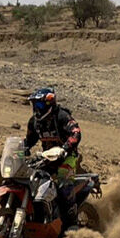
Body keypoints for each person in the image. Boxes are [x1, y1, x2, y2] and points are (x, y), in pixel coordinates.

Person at [23, 87, 83, 227]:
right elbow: (30, 140)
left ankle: (72, 221)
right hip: (47, 157)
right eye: (34, 105)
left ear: (49, 103)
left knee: (63, 181)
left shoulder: (61, 116)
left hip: (67, 156)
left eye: (39, 105)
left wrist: (65, 148)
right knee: (32, 180)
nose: (36, 109)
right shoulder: (34, 122)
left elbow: (76, 133)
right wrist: (22, 149)